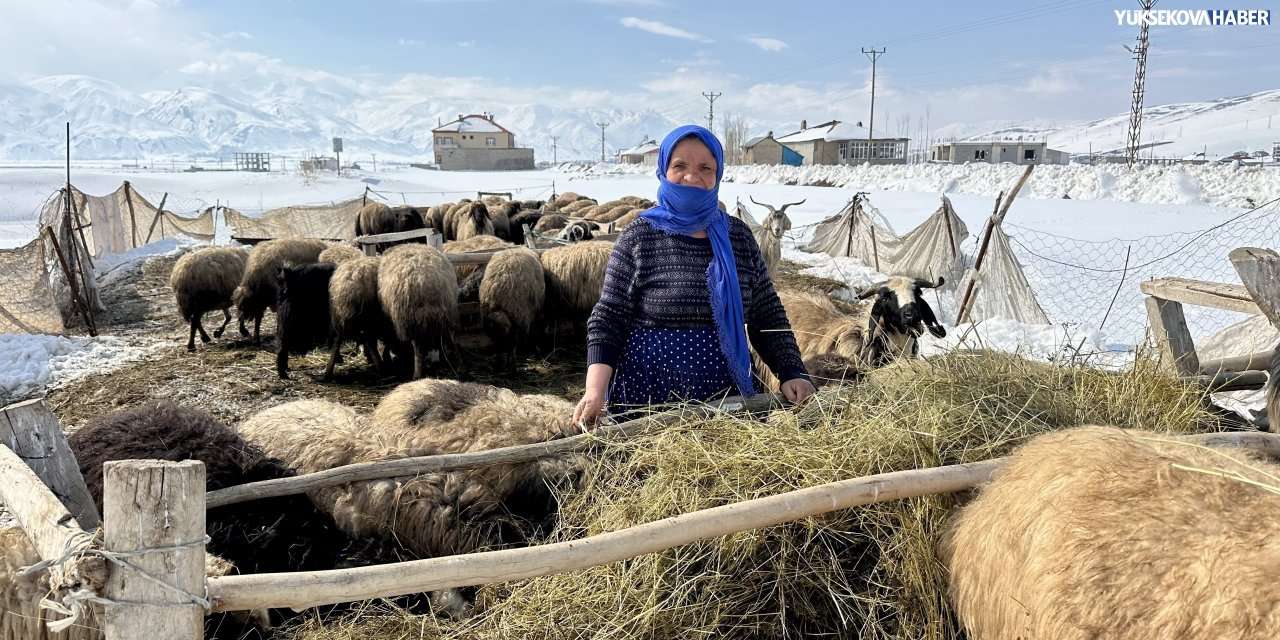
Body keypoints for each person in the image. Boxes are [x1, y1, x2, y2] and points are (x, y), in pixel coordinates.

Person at [572, 124, 815, 427]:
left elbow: (767, 311)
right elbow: (610, 316)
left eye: (705, 167)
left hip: (727, 399)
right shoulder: (640, 236)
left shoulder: (737, 237)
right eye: (680, 166)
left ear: (718, 174)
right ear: (663, 170)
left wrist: (792, 370)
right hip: (647, 403)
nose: (692, 176)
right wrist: (595, 391)